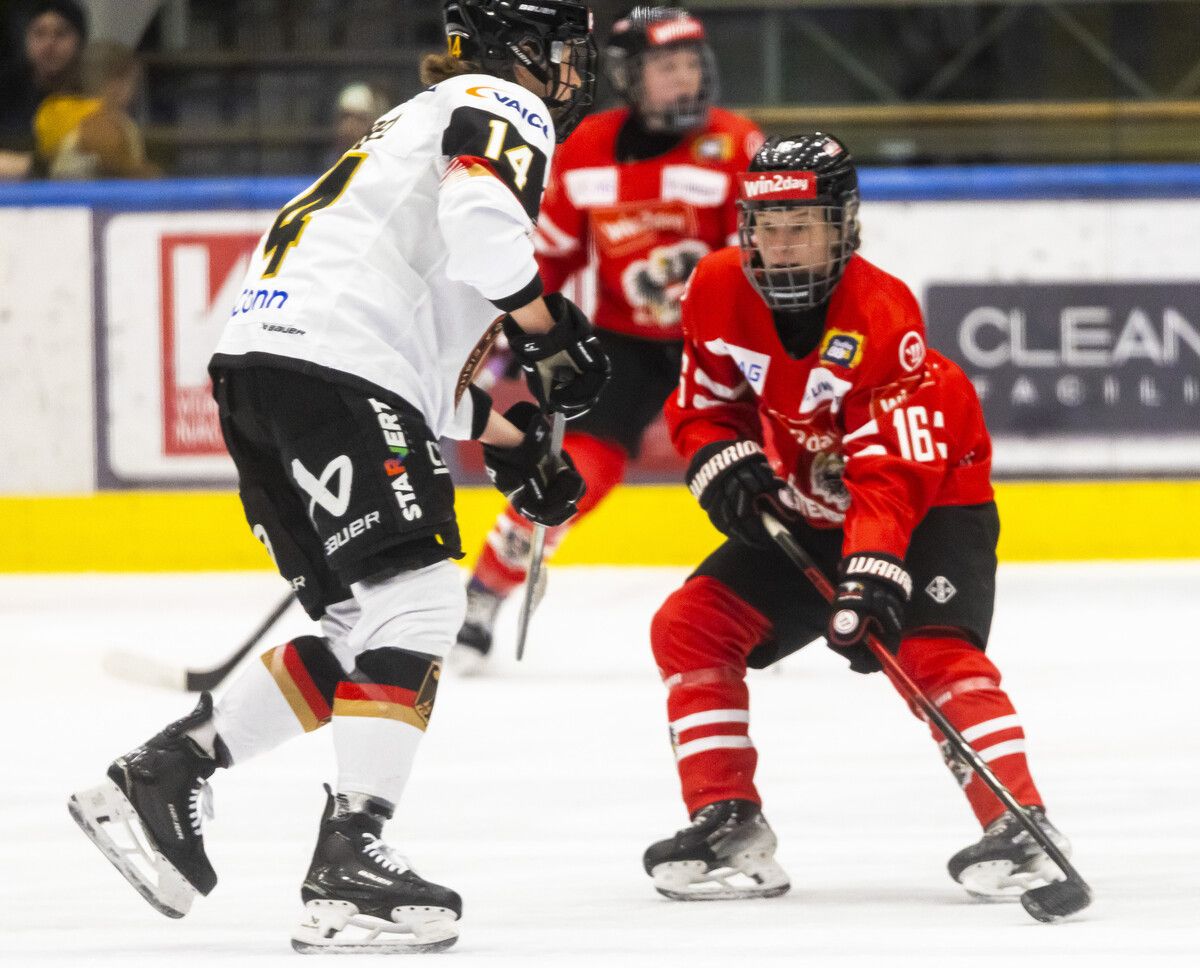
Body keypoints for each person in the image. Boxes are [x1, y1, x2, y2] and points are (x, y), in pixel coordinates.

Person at [67, 0, 605, 953]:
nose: (572, 71)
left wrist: (511, 438)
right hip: (335, 369)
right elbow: (483, 224)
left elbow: (416, 371)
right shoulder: (501, 101)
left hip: (265, 375)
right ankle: (351, 862)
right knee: (423, 600)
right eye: (561, 51)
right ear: (517, 51)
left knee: (364, 628)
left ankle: (168, 769)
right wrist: (546, 329)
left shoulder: (411, 128)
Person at [641, 133, 1074, 903]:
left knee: (932, 653)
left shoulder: (882, 311)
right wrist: (718, 458)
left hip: (931, 501)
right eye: (766, 227)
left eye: (800, 226)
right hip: (811, 500)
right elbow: (703, 405)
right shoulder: (716, 286)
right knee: (691, 626)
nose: (780, 246)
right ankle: (727, 820)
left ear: (843, 227)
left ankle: (1019, 821)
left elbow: (890, 474)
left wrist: (871, 574)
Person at [453, 5, 763, 671]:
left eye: (691, 63)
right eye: (667, 66)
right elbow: (547, 259)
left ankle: (780, 594)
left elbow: (758, 264)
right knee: (572, 475)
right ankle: (485, 591)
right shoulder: (586, 148)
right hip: (623, 344)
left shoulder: (736, 145)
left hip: (719, 343)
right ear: (629, 76)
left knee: (765, 465)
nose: (685, 79)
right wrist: (501, 334)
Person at [34, 40, 160, 179]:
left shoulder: (58, 111)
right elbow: (120, 168)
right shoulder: (101, 123)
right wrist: (159, 181)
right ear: (116, 83)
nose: (134, 91)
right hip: (90, 192)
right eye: (133, 81)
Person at [0, 0, 87, 179]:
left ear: (80, 42)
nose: (49, 44)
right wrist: (35, 166)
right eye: (39, 33)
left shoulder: (94, 91)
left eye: (61, 34)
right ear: (25, 40)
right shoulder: (6, 87)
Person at [323, 82, 391, 169]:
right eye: (344, 117)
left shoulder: (388, 168)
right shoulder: (325, 165)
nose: (348, 126)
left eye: (360, 119)